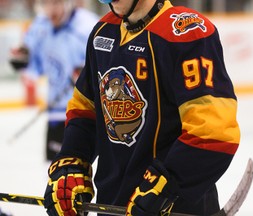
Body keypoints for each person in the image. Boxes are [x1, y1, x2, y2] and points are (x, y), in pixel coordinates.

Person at [43, 0, 241, 215]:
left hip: (171, 209)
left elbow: (213, 134)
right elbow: (86, 109)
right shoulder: (104, 32)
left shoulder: (185, 33)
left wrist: (165, 187)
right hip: (113, 205)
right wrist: (72, 160)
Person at [9, 0, 99, 160]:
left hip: (86, 112)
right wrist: (23, 60)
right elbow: (35, 66)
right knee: (55, 172)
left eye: (56, 2)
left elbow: (107, 62)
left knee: (84, 169)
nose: (51, 9)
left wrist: (88, 73)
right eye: (46, 3)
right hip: (56, 112)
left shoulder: (88, 25)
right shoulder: (40, 25)